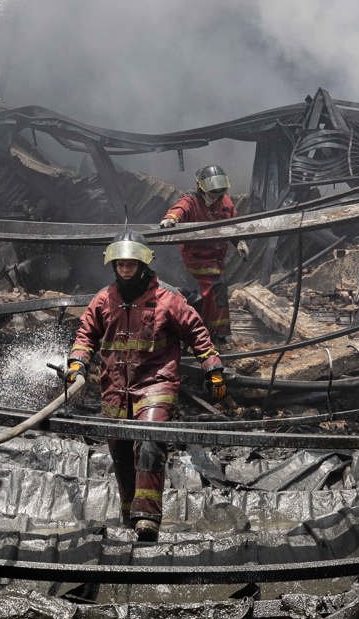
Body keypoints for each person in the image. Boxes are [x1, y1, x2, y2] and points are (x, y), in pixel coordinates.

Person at [66, 230, 226, 542]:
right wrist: (77, 363)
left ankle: (147, 519)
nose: (125, 270)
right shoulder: (103, 300)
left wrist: (213, 368)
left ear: (143, 264)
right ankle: (130, 515)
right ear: (114, 266)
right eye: (120, 265)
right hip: (115, 390)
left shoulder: (167, 299)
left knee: (150, 444)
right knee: (121, 454)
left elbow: (196, 332)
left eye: (131, 264)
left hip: (157, 383)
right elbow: (86, 335)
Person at [159, 164, 249, 344]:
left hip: (216, 260)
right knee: (200, 296)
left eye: (219, 192)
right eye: (212, 193)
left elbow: (233, 224)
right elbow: (179, 209)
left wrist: (239, 242)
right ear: (201, 187)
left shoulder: (225, 202)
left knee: (219, 294)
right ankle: (196, 334)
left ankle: (218, 334)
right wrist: (171, 218)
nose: (216, 196)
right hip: (194, 262)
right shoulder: (191, 201)